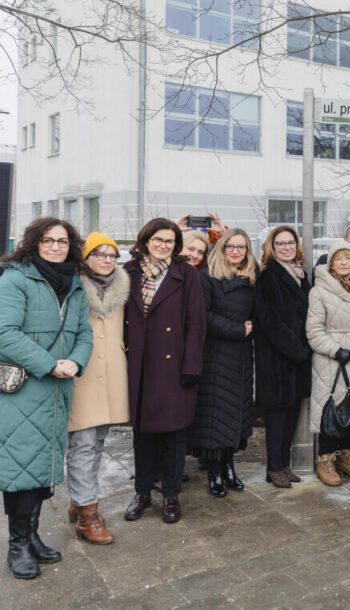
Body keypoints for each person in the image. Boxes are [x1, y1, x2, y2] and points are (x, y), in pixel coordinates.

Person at [0, 218, 92, 579]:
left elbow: (85, 333)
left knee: (42, 468)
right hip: (24, 390)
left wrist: (77, 361)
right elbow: (3, 332)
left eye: (63, 241)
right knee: (20, 467)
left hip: (58, 389)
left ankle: (33, 535)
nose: (56, 247)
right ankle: (17, 545)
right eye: (48, 240)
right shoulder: (15, 278)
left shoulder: (75, 285)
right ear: (34, 243)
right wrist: (49, 364)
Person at [122, 219, 206, 525]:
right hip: (139, 367)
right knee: (142, 436)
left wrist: (191, 367)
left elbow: (196, 324)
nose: (163, 246)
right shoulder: (128, 273)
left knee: (173, 436)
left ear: (176, 245)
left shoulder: (185, 274)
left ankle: (171, 495)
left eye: (169, 241)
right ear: (146, 241)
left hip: (174, 367)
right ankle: (142, 492)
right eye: (158, 240)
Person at [67, 232, 130, 545]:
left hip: (113, 374)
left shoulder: (122, 285)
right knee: (83, 442)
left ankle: (80, 498)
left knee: (99, 440)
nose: (107, 260)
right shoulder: (72, 285)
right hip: (83, 373)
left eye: (112, 255)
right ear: (86, 257)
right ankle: (86, 514)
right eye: (100, 254)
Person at [188, 230, 258, 498]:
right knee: (215, 415)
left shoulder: (252, 278)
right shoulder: (206, 277)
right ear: (221, 248)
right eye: (231, 246)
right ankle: (215, 472)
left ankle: (230, 466)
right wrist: (239, 329)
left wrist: (249, 329)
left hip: (241, 355)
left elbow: (259, 312)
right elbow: (203, 317)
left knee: (235, 413)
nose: (236, 251)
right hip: (216, 354)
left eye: (242, 247)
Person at [307, 240, 350, 486]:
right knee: (330, 410)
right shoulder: (319, 291)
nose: (344, 262)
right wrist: (335, 350)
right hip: (331, 359)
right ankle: (325, 462)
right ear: (330, 263)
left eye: (348, 258)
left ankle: (347, 458)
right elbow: (313, 331)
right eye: (338, 258)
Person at [254, 226, 312, 488]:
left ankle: (284, 465)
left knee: (291, 414)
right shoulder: (268, 276)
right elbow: (269, 321)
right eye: (281, 243)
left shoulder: (300, 274)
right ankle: (273, 467)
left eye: (291, 243)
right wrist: (296, 350)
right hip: (278, 358)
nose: (287, 247)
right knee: (277, 416)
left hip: (298, 358)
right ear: (272, 247)